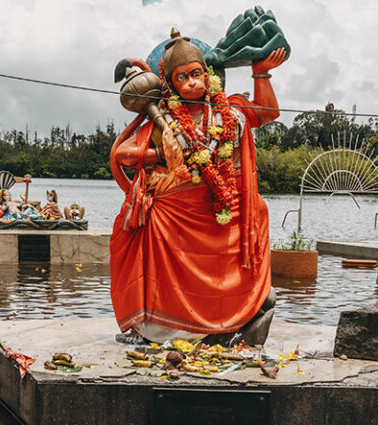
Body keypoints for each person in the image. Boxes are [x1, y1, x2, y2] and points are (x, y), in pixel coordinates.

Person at [110, 29, 285, 345]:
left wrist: (261, 74)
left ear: (208, 76)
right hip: (177, 215)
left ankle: (236, 323)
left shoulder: (230, 112)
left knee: (257, 216)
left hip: (225, 210)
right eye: (181, 78)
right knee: (149, 226)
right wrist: (160, 152)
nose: (190, 82)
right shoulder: (163, 119)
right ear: (172, 84)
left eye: (195, 74)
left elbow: (268, 112)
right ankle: (169, 332)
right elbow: (124, 153)